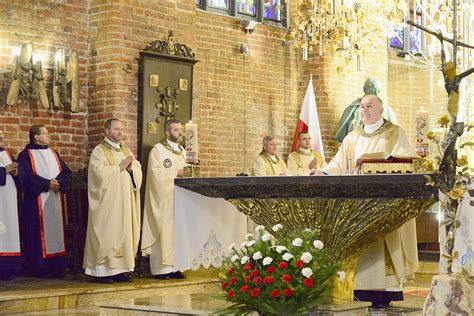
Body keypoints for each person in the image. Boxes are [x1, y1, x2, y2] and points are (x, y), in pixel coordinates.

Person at [317, 94, 418, 307]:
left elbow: (405, 163)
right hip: (358, 205)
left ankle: (386, 293)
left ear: (381, 110)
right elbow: (337, 165)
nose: (364, 110)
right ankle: (361, 289)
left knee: (383, 245)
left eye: (369, 106)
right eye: (362, 107)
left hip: (385, 204)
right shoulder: (352, 137)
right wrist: (323, 173)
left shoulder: (395, 133)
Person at [83, 118, 142, 284]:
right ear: (107, 131)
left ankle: (121, 270)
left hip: (125, 202)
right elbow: (97, 174)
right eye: (116, 129)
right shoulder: (99, 151)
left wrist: (131, 171)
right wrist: (118, 168)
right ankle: (103, 271)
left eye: (121, 130)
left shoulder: (125, 150)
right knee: (108, 232)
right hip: (108, 204)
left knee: (124, 232)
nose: (120, 132)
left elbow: (137, 169)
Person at [18, 124, 71, 278]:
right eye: (45, 133)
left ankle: (57, 266)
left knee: (55, 232)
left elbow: (65, 171)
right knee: (37, 234)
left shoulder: (53, 154)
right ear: (36, 136)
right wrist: (46, 184)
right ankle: (38, 267)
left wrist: (59, 183)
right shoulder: (25, 155)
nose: (48, 136)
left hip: (55, 200)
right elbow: (26, 177)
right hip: (35, 202)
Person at [141, 118, 187, 279]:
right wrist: (176, 173)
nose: (179, 132)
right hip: (163, 199)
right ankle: (161, 269)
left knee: (178, 232)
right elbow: (155, 176)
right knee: (165, 231)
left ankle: (176, 267)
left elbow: (187, 172)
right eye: (176, 130)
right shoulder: (158, 151)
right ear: (167, 132)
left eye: (180, 129)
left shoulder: (183, 151)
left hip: (180, 199)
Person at [335, 78, 398, 143]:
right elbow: (342, 135)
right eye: (372, 90)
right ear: (364, 89)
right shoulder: (353, 108)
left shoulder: (386, 110)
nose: (375, 93)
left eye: (376, 91)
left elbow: (395, 133)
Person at [0, 130, 21, 281]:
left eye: (2, 134)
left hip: (9, 199)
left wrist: (15, 173)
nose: (1, 137)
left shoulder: (7, 153)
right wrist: (4, 170)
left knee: (10, 233)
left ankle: (8, 268)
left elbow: (18, 175)